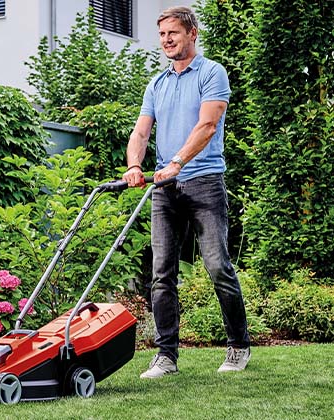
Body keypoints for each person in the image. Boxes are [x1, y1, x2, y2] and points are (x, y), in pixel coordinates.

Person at [122, 6, 251, 378]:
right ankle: (166, 356)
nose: (166, 41)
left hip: (205, 181)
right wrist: (134, 165)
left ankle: (238, 346)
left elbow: (208, 125)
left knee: (217, 265)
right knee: (162, 272)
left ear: (192, 33)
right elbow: (141, 132)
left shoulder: (212, 73)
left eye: (173, 33)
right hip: (165, 187)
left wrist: (177, 160)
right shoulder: (157, 82)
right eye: (162, 35)